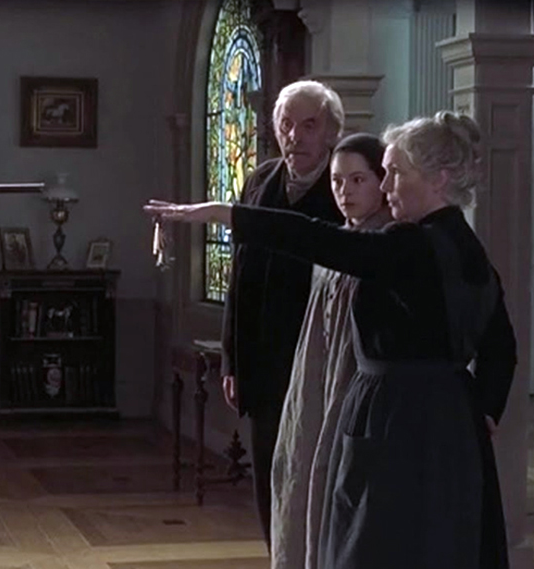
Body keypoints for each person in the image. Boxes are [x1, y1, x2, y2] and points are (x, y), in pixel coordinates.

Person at [145, 110, 516, 569]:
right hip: (451, 419)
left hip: (395, 417)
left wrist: (224, 214)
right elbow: (501, 346)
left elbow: (315, 239)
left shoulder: (412, 244)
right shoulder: (466, 244)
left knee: (380, 544)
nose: (385, 186)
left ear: (439, 179)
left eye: (396, 173)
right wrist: (481, 411)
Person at [220, 80, 346, 544]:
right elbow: (239, 276)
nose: (296, 137)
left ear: (330, 132)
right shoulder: (260, 180)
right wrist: (232, 360)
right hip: (263, 361)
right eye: (287, 125)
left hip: (321, 359)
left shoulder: (345, 188)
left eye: (309, 125)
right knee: (270, 478)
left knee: (316, 479)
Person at [269, 133, 392, 569]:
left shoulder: (388, 244)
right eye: (338, 181)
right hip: (317, 378)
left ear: (382, 182)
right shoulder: (336, 242)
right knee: (301, 471)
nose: (345, 191)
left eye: (358, 180)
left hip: (355, 383)